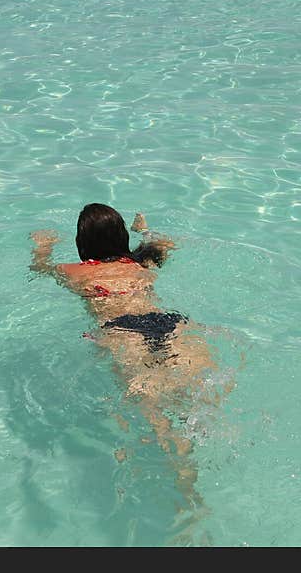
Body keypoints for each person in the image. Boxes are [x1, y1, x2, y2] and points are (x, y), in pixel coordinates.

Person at [30, 203, 229, 516]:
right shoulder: (140, 264)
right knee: (196, 404)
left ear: (83, 243)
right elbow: (166, 244)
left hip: (124, 333)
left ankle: (189, 502)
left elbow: (40, 269)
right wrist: (144, 230)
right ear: (121, 237)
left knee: (159, 423)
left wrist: (43, 246)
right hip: (169, 323)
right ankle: (202, 482)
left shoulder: (77, 272)